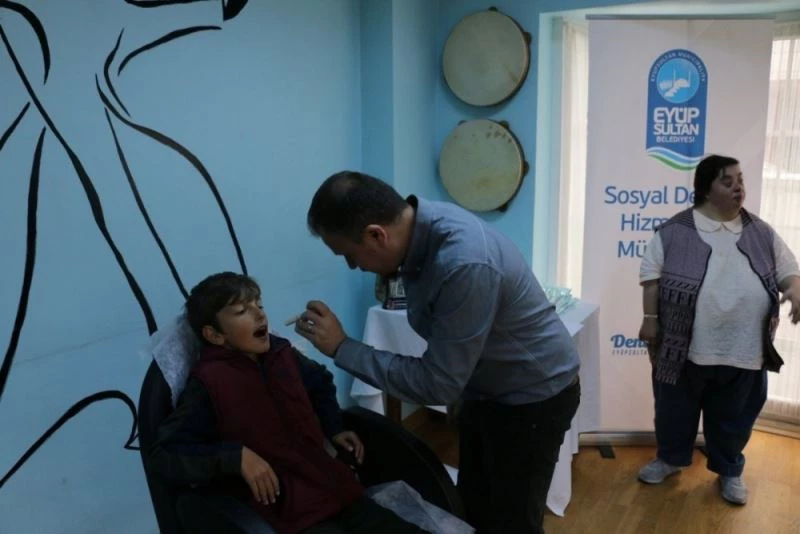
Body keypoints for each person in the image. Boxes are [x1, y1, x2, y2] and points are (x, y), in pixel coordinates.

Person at [294, 171, 581, 534]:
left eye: (349, 255)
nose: (354, 266)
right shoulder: (421, 229)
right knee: (475, 509)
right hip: (486, 389)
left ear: (377, 234)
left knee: (512, 521)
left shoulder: (463, 261)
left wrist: (342, 347)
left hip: (533, 397)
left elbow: (438, 384)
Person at [148, 272, 424, 534]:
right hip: (289, 517)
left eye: (259, 305)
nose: (260, 314)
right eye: (242, 311)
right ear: (215, 335)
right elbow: (166, 453)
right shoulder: (208, 384)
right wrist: (234, 457)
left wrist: (334, 427)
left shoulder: (283, 354)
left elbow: (320, 383)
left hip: (334, 489)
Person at [637, 155, 800, 505]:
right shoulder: (675, 231)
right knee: (674, 411)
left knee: (734, 417)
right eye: (728, 181)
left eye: (740, 180)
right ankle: (669, 459)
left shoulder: (761, 232)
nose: (738, 187)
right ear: (706, 189)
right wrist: (650, 320)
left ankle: (729, 469)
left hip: (745, 348)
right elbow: (651, 277)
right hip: (683, 347)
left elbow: (788, 269)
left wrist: (795, 288)